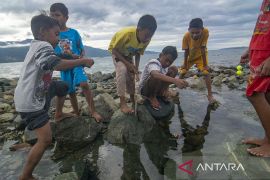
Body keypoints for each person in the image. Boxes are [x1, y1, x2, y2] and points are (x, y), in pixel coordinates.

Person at [13, 14, 95, 180]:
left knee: (62, 86)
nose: (59, 38)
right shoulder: (43, 46)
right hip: (31, 101)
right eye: (56, 34)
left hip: (36, 93)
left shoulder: (37, 46)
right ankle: (26, 175)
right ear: (43, 32)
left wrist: (73, 57)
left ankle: (58, 114)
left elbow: (57, 58)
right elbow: (56, 64)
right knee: (45, 139)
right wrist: (82, 61)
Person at [50, 3, 102, 122]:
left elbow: (80, 46)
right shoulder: (52, 35)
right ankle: (77, 112)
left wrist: (83, 57)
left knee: (84, 84)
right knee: (70, 91)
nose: (54, 18)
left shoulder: (73, 33)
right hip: (64, 66)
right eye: (51, 15)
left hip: (77, 63)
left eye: (57, 15)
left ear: (66, 18)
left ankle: (93, 111)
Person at [108, 14, 157, 114]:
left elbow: (138, 53)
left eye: (150, 36)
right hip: (117, 52)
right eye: (147, 35)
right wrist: (127, 64)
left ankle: (132, 99)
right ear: (139, 29)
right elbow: (114, 50)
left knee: (131, 75)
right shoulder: (127, 34)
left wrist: (135, 68)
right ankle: (122, 103)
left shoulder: (146, 39)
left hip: (128, 54)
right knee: (122, 70)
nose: (148, 38)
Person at [240, 0, 270, 157]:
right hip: (260, 49)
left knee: (254, 94)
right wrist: (250, 48)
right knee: (266, 94)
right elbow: (262, 26)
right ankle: (267, 138)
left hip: (267, 51)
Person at [179, 18, 215, 104]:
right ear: (189, 30)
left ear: (202, 30)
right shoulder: (186, 36)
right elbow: (186, 52)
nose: (194, 35)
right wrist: (184, 64)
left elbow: (203, 48)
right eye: (192, 33)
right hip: (190, 57)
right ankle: (176, 87)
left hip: (201, 57)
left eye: (197, 33)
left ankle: (210, 95)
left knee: (206, 73)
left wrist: (205, 65)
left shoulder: (205, 32)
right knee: (182, 72)